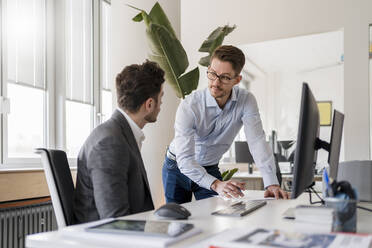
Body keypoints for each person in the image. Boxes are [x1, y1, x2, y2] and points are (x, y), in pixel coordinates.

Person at [162, 45, 289, 204]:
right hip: (177, 167)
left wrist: (271, 183)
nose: (216, 82)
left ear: (237, 80)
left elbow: (257, 141)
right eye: (212, 74)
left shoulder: (246, 101)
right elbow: (185, 160)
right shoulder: (190, 106)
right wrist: (215, 184)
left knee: (214, 216)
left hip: (209, 167)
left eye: (225, 77)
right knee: (176, 221)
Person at [73, 60, 165, 223]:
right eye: (161, 98)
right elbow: (115, 221)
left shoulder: (120, 134)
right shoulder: (109, 143)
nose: (161, 104)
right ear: (149, 104)